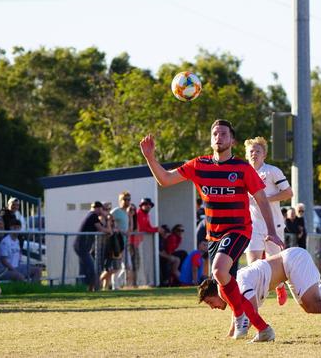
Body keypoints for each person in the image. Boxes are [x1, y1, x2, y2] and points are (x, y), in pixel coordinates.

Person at [140, 119, 283, 341]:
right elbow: (165, 180)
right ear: (211, 139)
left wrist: (271, 231)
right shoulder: (199, 165)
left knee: (218, 271)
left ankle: (240, 317)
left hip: (238, 230)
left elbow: (262, 200)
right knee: (224, 286)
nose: (219, 137)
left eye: (224, 134)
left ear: (232, 140)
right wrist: (150, 157)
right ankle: (263, 328)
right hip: (214, 235)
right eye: (215, 133)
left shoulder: (242, 168)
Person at [198, 247, 321, 342]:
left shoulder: (239, 281)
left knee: (312, 304)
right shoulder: (234, 289)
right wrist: (232, 335)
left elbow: (249, 309)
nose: (212, 307)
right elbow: (237, 314)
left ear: (217, 291)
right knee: (312, 303)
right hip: (290, 266)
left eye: (209, 302)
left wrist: (246, 332)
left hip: (292, 262)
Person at [243, 136, 293, 305]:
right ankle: (254, 299)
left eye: (258, 151)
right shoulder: (242, 172)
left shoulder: (272, 171)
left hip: (273, 223)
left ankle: (279, 285)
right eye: (251, 151)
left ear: (264, 154)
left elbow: (288, 193)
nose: (254, 154)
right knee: (253, 264)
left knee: (276, 261)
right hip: (252, 225)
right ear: (246, 154)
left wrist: (264, 198)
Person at [74, 201, 111, 291]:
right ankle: (90, 288)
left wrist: (107, 220)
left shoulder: (92, 216)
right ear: (98, 209)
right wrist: (107, 217)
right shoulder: (93, 216)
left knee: (84, 269)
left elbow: (107, 230)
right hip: (82, 247)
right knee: (90, 268)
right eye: (101, 209)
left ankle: (84, 288)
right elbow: (103, 230)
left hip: (83, 247)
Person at [111, 191, 132, 288]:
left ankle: (118, 283)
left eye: (128, 199)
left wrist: (131, 216)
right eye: (125, 199)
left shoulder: (127, 213)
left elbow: (129, 228)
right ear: (120, 200)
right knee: (117, 266)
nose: (127, 201)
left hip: (125, 243)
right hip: (117, 243)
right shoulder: (116, 211)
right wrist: (118, 230)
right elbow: (109, 220)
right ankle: (115, 285)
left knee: (128, 266)